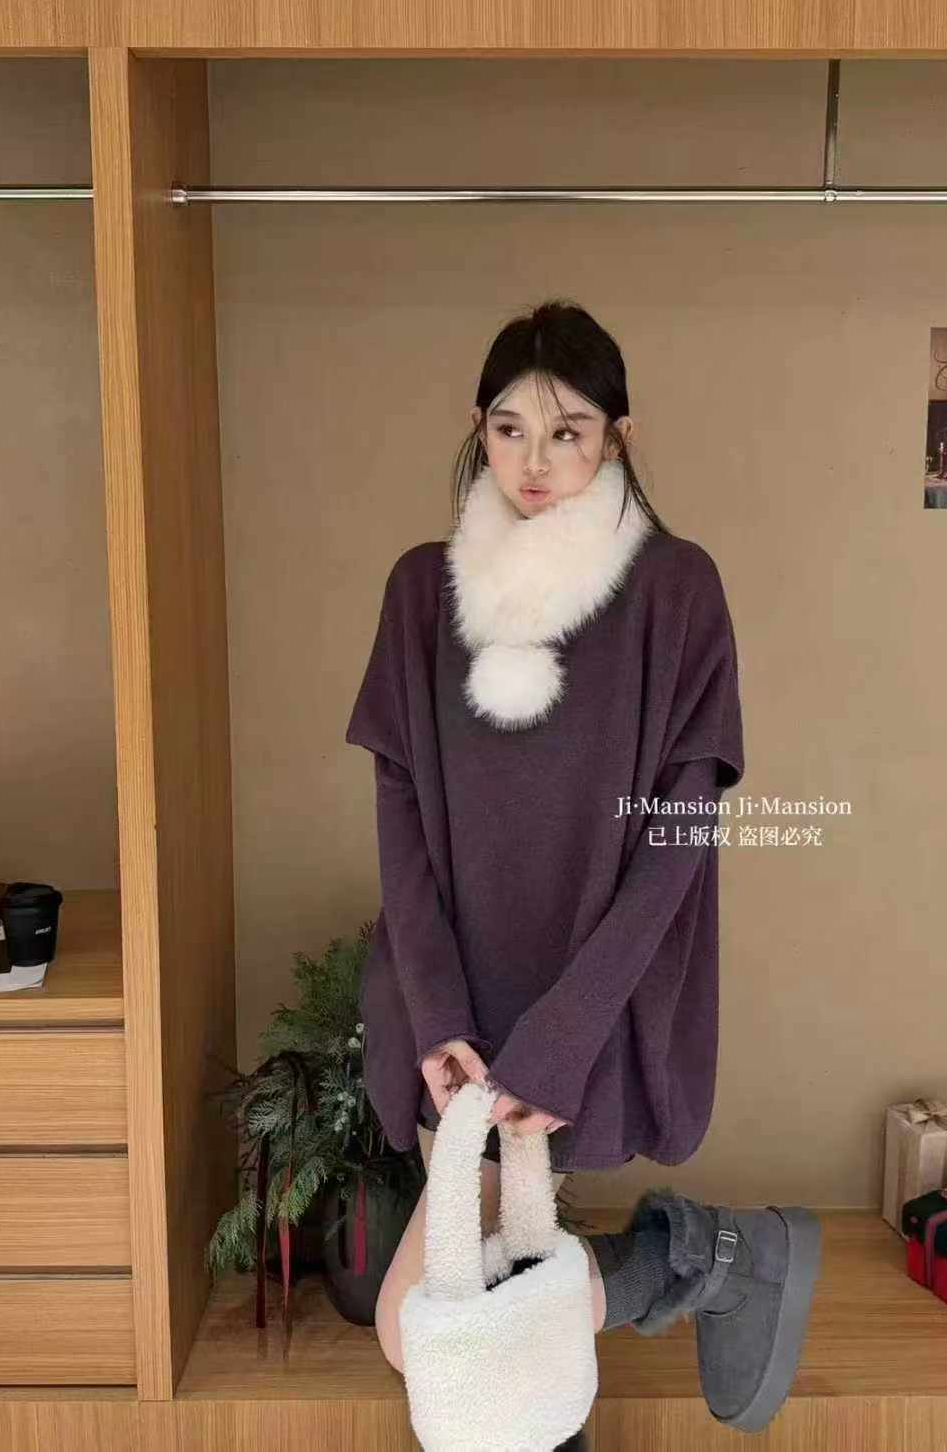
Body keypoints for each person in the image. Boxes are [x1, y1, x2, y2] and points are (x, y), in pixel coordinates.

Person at [345, 299, 821, 1436]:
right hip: (451, 1008)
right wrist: (433, 1015)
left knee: (432, 1328)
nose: (535, 462)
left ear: (619, 435)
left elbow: (678, 837)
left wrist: (564, 1036)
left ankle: (705, 1256)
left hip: (589, 994)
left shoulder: (674, 590)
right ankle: (709, 1256)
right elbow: (400, 821)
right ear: (478, 428)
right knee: (466, 1323)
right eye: (510, 429)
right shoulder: (420, 592)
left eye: (569, 431)